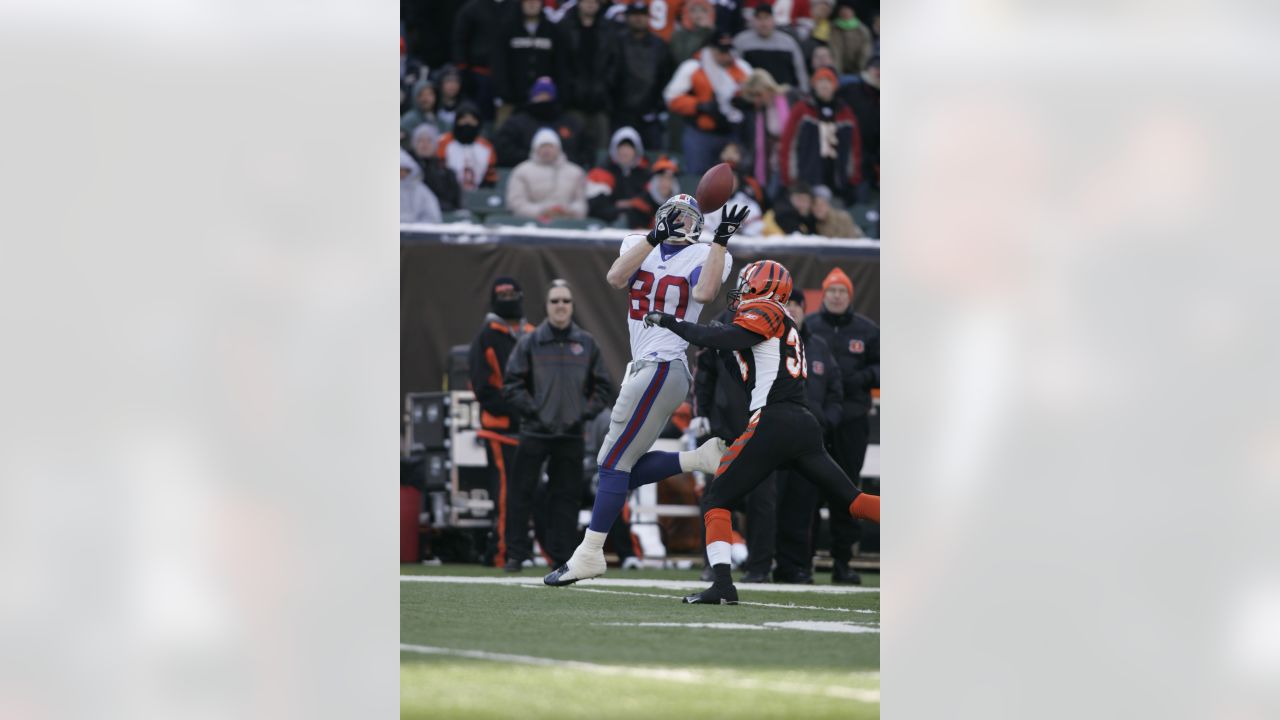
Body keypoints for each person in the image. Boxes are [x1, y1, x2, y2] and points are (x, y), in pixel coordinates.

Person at [640, 259, 880, 603]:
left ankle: (722, 584)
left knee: (717, 498)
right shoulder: (784, 323)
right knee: (852, 500)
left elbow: (727, 336)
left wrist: (670, 322)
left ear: (761, 287)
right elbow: (745, 370)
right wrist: (723, 352)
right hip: (801, 423)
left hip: (774, 421)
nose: (740, 291)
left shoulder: (768, 309)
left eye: (746, 284)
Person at [543, 197, 747, 586]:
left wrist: (721, 241)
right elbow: (616, 278)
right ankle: (697, 459)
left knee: (611, 464)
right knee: (619, 468)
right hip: (645, 368)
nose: (680, 222)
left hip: (664, 364)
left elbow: (704, 295)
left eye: (688, 218)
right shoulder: (638, 243)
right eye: (673, 215)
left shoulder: (707, 252)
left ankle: (589, 554)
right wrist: (654, 237)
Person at [503, 280, 614, 570]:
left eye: (566, 301)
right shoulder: (529, 342)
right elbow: (512, 384)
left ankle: (562, 558)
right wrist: (535, 412)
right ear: (546, 306)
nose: (561, 306)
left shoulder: (587, 343)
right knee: (520, 494)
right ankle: (515, 554)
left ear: (572, 306)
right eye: (555, 301)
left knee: (566, 498)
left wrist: (582, 414)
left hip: (571, 434)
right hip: (534, 431)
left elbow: (603, 386)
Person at [692, 269, 777, 584]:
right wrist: (700, 413)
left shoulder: (775, 323)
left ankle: (759, 566)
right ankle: (714, 564)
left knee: (762, 500)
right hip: (727, 426)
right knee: (717, 498)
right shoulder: (722, 322)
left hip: (762, 424)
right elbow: (705, 372)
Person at [803, 266, 878, 584]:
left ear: (850, 295)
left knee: (847, 491)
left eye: (842, 291)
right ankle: (800, 562)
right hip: (813, 422)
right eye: (831, 290)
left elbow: (882, 367)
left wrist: (860, 378)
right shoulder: (809, 327)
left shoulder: (867, 330)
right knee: (805, 491)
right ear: (824, 293)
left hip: (850, 421)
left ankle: (843, 562)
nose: (836, 296)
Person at [772, 291, 842, 583]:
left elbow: (836, 390)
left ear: (804, 309)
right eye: (786, 305)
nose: (792, 310)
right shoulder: (768, 341)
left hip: (809, 440)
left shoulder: (819, 346)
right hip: (774, 438)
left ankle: (796, 567)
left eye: (796, 305)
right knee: (771, 504)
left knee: (802, 506)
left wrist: (827, 421)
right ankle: (762, 563)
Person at [467, 278, 537, 568]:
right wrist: (518, 412)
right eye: (502, 294)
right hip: (500, 430)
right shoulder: (485, 337)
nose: (508, 298)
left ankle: (541, 550)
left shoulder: (533, 334)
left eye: (512, 294)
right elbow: (483, 389)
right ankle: (502, 553)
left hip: (533, 429)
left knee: (531, 492)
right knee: (507, 492)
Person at [664, 33, 752, 175]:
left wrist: (744, 100)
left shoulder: (742, 68)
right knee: (698, 177)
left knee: (732, 177)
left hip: (732, 133)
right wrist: (699, 105)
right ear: (710, 50)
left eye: (728, 51)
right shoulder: (693, 66)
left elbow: (755, 95)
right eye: (720, 51)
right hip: (701, 134)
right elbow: (671, 98)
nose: (725, 56)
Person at [778, 65, 862, 204]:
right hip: (807, 180)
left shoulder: (845, 112)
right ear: (814, 85)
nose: (824, 85)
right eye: (820, 81)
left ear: (835, 85)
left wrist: (852, 178)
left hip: (837, 180)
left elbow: (854, 147)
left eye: (828, 81)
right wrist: (790, 178)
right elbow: (788, 143)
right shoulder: (802, 109)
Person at [557, 0, 616, 154]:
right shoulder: (565, 27)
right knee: (572, 147)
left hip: (601, 100)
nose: (591, 4)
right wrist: (569, 89)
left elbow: (614, 62)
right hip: (573, 101)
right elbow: (560, 63)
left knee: (602, 150)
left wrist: (606, 88)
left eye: (595, 1)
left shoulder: (608, 28)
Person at [614, 2, 674, 154]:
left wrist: (658, 106)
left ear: (648, 18)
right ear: (627, 18)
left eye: (642, 15)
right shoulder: (616, 42)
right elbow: (610, 76)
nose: (638, 19)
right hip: (621, 111)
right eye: (634, 15)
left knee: (652, 154)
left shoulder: (659, 45)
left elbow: (666, 77)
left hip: (650, 112)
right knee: (622, 153)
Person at [493, 0, 564, 128]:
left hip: (545, 100)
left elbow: (560, 65)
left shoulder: (553, 31)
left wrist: (557, 93)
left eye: (536, 1)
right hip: (512, 98)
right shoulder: (507, 29)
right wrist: (504, 91)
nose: (532, 4)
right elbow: (499, 63)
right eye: (528, 1)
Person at [494, 77, 589, 168]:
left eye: (547, 95)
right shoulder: (515, 123)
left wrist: (560, 159)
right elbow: (504, 152)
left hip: (563, 175)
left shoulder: (571, 123)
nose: (543, 98)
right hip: (528, 174)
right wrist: (535, 158)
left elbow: (585, 152)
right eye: (540, 94)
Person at [506, 128, 588, 221]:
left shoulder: (575, 172)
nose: (547, 150)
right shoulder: (521, 171)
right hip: (531, 223)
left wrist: (569, 211)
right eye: (543, 146)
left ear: (558, 148)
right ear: (535, 148)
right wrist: (542, 211)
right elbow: (516, 204)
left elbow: (581, 203)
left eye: (550, 146)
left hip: (567, 222)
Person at [732, 69, 792, 196]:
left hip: (792, 160)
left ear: (767, 88)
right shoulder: (759, 112)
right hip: (773, 164)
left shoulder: (790, 98)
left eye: (758, 94)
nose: (756, 99)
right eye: (753, 96)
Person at [453, 0, 511, 122]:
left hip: (508, 76)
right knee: (479, 118)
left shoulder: (515, 7)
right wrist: (463, 69)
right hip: (479, 75)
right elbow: (460, 40)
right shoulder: (472, 8)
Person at [586, 127, 654, 228]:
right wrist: (617, 210)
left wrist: (631, 204)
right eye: (621, 147)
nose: (624, 151)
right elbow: (593, 205)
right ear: (614, 149)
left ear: (636, 151)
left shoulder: (647, 175)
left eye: (629, 147)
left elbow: (651, 204)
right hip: (608, 223)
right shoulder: (602, 172)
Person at [733, 4, 809, 94]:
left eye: (767, 18)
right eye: (759, 18)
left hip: (783, 96)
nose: (763, 23)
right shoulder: (742, 41)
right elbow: (734, 68)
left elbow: (800, 71)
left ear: (773, 20)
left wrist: (804, 93)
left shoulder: (788, 42)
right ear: (753, 21)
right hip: (754, 96)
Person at [839, 53, 879, 198]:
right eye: (876, 67)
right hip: (846, 152)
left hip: (871, 161)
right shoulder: (852, 89)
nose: (879, 71)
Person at [438, 103, 500, 190]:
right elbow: (438, 171)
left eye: (472, 120)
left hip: (477, 195)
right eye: (463, 119)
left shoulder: (486, 147)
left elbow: (491, 177)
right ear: (457, 121)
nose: (467, 123)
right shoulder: (444, 142)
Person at [409, 125, 463, 213]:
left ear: (435, 145)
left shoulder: (447, 174)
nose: (424, 144)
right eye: (420, 140)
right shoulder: (406, 172)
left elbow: (454, 204)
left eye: (429, 140)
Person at [827, 1, 874, 76]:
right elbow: (834, 50)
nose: (845, 12)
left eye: (848, 10)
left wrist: (862, 70)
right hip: (838, 69)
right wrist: (837, 72)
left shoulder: (862, 29)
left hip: (858, 70)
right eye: (843, 10)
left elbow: (866, 51)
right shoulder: (833, 28)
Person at [400, 150, 442, 223]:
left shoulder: (421, 191)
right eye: (399, 170)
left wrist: (414, 226)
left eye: (405, 170)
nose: (402, 173)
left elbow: (433, 217)